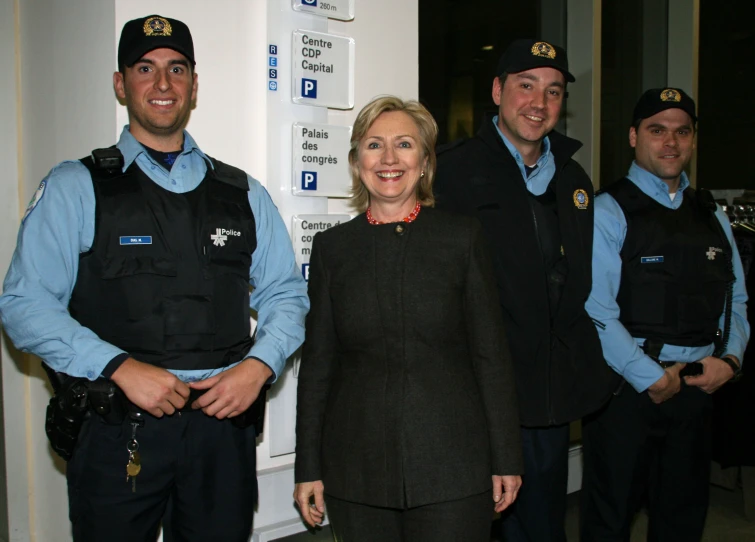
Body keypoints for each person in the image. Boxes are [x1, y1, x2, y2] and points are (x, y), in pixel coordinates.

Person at [0, 14, 308, 542]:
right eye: (145, 68)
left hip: (221, 432)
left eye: (177, 69)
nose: (163, 84)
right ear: (121, 84)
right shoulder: (78, 186)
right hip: (119, 431)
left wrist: (259, 365)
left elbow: (287, 291)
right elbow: (24, 304)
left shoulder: (242, 193)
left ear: (193, 84)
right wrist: (118, 366)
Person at [292, 96, 523, 541]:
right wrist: (309, 469)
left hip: (453, 470)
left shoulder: (461, 238)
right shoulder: (333, 250)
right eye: (374, 145)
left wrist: (506, 458)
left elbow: (491, 357)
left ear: (424, 162)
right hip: (356, 472)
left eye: (404, 144)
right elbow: (318, 367)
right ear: (358, 161)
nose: (389, 158)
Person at [434, 39, 617, 541]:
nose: (539, 102)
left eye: (553, 91)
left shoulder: (575, 180)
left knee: (539, 527)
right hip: (474, 394)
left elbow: (576, 281)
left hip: (545, 398)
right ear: (497, 91)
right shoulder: (451, 172)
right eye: (526, 86)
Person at [580, 88, 750, 541]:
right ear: (634, 137)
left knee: (683, 519)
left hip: (697, 386)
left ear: (693, 140)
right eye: (657, 131)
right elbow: (596, 311)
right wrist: (650, 376)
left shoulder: (710, 213)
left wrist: (729, 361)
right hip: (626, 391)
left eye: (682, 131)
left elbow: (737, 300)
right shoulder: (608, 210)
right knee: (609, 521)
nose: (671, 142)